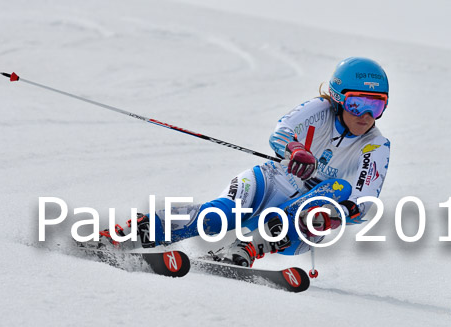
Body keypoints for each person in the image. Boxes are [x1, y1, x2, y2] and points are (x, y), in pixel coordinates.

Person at [100, 57, 391, 267]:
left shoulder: (376, 145)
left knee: (337, 187)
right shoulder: (320, 109)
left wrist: (339, 212)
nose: (365, 116)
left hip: (301, 218)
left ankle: (248, 247)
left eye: (376, 106)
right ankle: (130, 233)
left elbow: (367, 200)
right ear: (339, 99)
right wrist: (295, 149)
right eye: (357, 104)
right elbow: (281, 133)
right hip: (272, 182)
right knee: (217, 218)